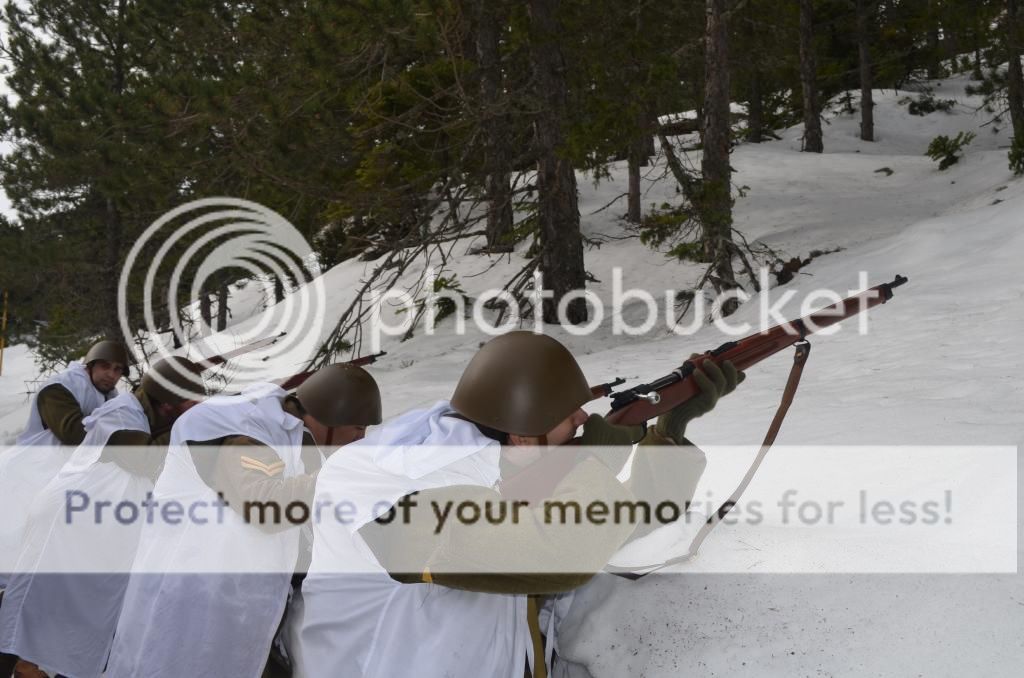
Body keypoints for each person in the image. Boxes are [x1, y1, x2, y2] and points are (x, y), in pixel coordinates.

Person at [293, 331, 743, 678]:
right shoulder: (378, 480)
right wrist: (592, 463)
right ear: (524, 433)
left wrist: (670, 431)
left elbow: (624, 522)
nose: (584, 420)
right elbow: (560, 554)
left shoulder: (497, 467)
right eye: (570, 416)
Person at [104, 363, 383, 678]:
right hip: (194, 585)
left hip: (235, 587)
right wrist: (343, 476)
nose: (361, 439)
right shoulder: (244, 431)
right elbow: (264, 505)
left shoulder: (294, 432)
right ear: (332, 417)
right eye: (358, 428)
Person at [0, 357, 205, 678]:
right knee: (33, 616)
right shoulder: (121, 412)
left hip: (96, 533)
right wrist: (190, 427)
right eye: (183, 406)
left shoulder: (141, 414)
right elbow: (142, 459)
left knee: (78, 625)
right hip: (68, 527)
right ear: (166, 404)